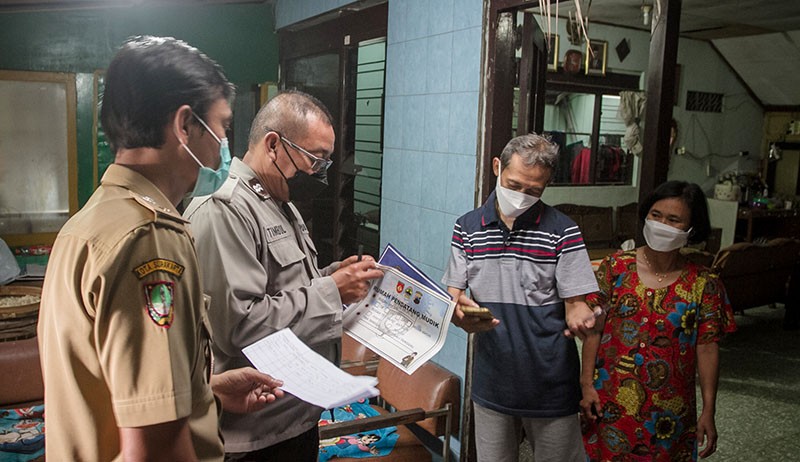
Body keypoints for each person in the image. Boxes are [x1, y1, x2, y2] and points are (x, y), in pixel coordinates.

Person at [37, 36, 284, 461]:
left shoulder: (92, 223)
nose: (225, 143)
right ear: (184, 125)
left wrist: (207, 394)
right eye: (223, 125)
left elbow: (115, 386)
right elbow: (155, 449)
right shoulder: (150, 241)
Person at [184, 89, 384, 461]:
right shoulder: (225, 209)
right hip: (255, 436)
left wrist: (332, 274)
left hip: (296, 418)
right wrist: (332, 292)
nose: (321, 174)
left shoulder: (279, 201)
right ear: (273, 144)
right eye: (315, 159)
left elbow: (284, 287)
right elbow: (238, 326)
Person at [442, 133, 600, 462]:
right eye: (514, 185)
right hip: (492, 377)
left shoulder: (564, 231)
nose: (521, 196)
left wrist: (581, 315)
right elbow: (452, 296)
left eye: (533, 191)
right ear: (497, 167)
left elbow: (577, 304)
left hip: (551, 380)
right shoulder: (467, 228)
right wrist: (459, 312)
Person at [580, 180, 736, 461]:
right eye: (656, 215)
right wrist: (586, 386)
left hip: (670, 413)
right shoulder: (615, 268)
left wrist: (709, 410)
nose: (662, 224)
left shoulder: (704, 283)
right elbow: (594, 330)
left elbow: (708, 348)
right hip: (612, 402)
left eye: (673, 219)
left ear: (690, 230)